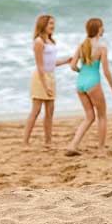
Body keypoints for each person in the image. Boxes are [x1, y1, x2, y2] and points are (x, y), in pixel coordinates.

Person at [66, 17, 112, 155]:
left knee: (89, 117)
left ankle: (73, 145)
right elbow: (106, 71)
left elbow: (72, 66)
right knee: (102, 116)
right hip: (93, 83)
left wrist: (81, 72)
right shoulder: (101, 48)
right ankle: (101, 149)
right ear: (98, 29)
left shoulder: (81, 45)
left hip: (80, 83)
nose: (103, 29)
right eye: (102, 27)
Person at [23, 14, 73, 147]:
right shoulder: (38, 42)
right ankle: (25, 141)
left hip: (51, 76)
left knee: (50, 111)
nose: (53, 26)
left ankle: (48, 141)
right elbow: (40, 66)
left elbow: (50, 63)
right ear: (43, 25)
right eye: (50, 23)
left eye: (53, 23)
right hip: (40, 78)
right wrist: (45, 86)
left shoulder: (51, 41)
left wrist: (65, 61)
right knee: (36, 110)